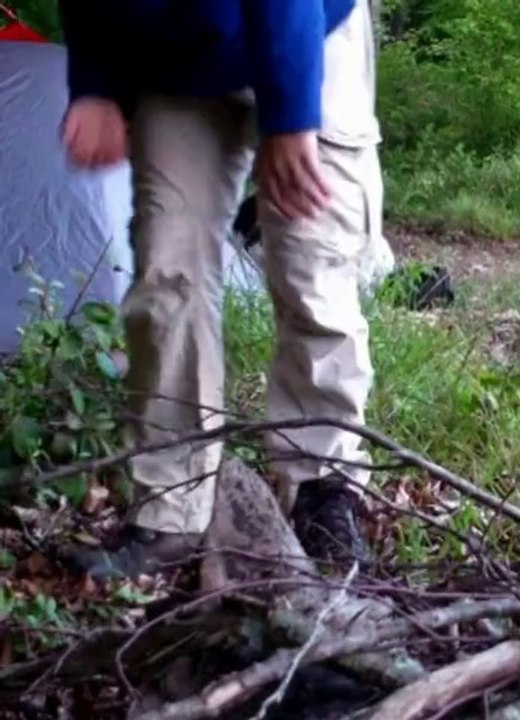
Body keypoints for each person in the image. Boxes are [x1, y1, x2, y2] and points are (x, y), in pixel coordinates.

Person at [57, 0, 384, 579]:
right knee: (168, 276)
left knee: (312, 262)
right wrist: (96, 84)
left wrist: (290, 115)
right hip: (181, 66)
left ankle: (323, 489)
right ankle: (172, 508)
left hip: (311, 28)